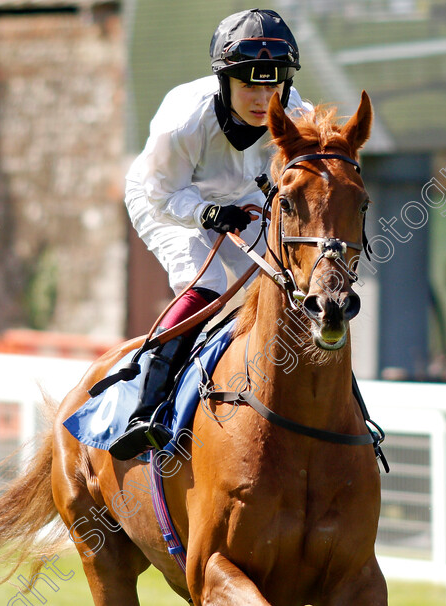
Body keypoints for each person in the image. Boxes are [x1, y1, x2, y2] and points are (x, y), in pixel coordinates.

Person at [108, 8, 311, 460]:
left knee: (282, 286)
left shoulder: (299, 117)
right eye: (248, 85)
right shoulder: (185, 120)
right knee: (209, 284)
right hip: (165, 198)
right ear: (225, 82)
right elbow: (162, 195)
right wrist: (206, 213)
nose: (263, 99)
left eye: (273, 85)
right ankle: (146, 407)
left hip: (243, 204)